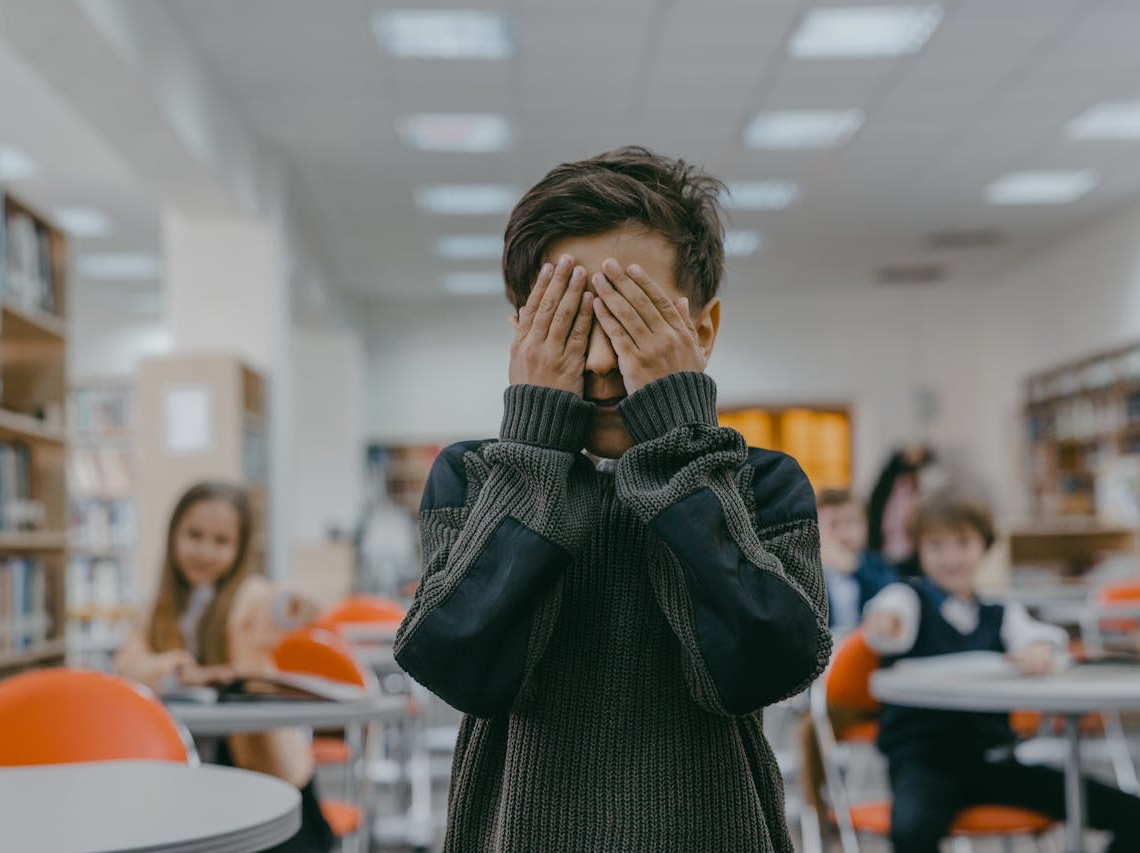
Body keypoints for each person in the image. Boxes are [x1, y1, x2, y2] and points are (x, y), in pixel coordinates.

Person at [393, 147, 832, 851]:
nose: (600, 363)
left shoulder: (762, 484)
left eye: (629, 322)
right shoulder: (476, 478)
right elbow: (460, 666)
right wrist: (535, 451)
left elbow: (765, 667)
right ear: (524, 336)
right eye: (571, 324)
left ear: (703, 331)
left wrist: (681, 443)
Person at [863, 484, 1140, 853]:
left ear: (984, 545)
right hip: (924, 763)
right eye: (936, 545)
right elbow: (889, 625)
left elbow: (1035, 637)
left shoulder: (1000, 612)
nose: (950, 557)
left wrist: (1038, 650)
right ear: (919, 549)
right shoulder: (907, 599)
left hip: (993, 759)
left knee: (1131, 813)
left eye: (962, 542)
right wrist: (885, 625)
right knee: (912, 830)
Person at [114, 481, 334, 853]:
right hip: (184, 763)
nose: (204, 551)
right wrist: (171, 669)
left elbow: (272, 609)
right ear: (173, 536)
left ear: (240, 548)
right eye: (194, 535)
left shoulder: (248, 597)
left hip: (258, 761)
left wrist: (289, 604)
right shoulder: (156, 609)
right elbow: (128, 664)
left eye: (221, 541)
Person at [817, 487, 899, 632]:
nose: (844, 532)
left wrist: (856, 568)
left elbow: (893, 594)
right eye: (833, 524)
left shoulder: (876, 565)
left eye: (851, 522)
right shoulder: (809, 570)